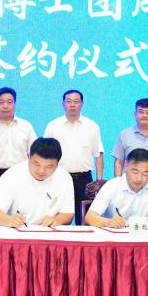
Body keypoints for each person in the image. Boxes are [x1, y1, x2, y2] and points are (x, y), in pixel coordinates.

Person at [43, 89, 104, 224]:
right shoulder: (53, 126)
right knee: (58, 218)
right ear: (63, 104)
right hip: (59, 178)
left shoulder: (92, 126)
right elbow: (44, 153)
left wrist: (98, 181)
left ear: (82, 104)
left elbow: (98, 154)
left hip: (84, 180)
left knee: (85, 220)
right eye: (68, 101)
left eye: (76, 101)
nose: (72, 105)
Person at [0, 138, 74, 228]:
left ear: (57, 164)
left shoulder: (64, 177)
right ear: (28, 157)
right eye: (37, 164)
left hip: (47, 231)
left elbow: (68, 214)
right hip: (17, 230)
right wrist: (9, 220)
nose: (41, 171)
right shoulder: (13, 174)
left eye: (49, 166)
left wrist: (56, 220)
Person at [85, 148, 148, 228]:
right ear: (126, 166)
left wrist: (143, 223)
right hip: (115, 238)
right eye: (135, 172)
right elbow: (90, 217)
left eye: (145, 174)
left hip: (143, 238)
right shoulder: (112, 185)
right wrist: (108, 222)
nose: (139, 178)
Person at [0, 86, 36, 184]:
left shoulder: (26, 126)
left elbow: (33, 154)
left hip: (21, 174)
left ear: (15, 104)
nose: (5, 106)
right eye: (1, 102)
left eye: (9, 102)